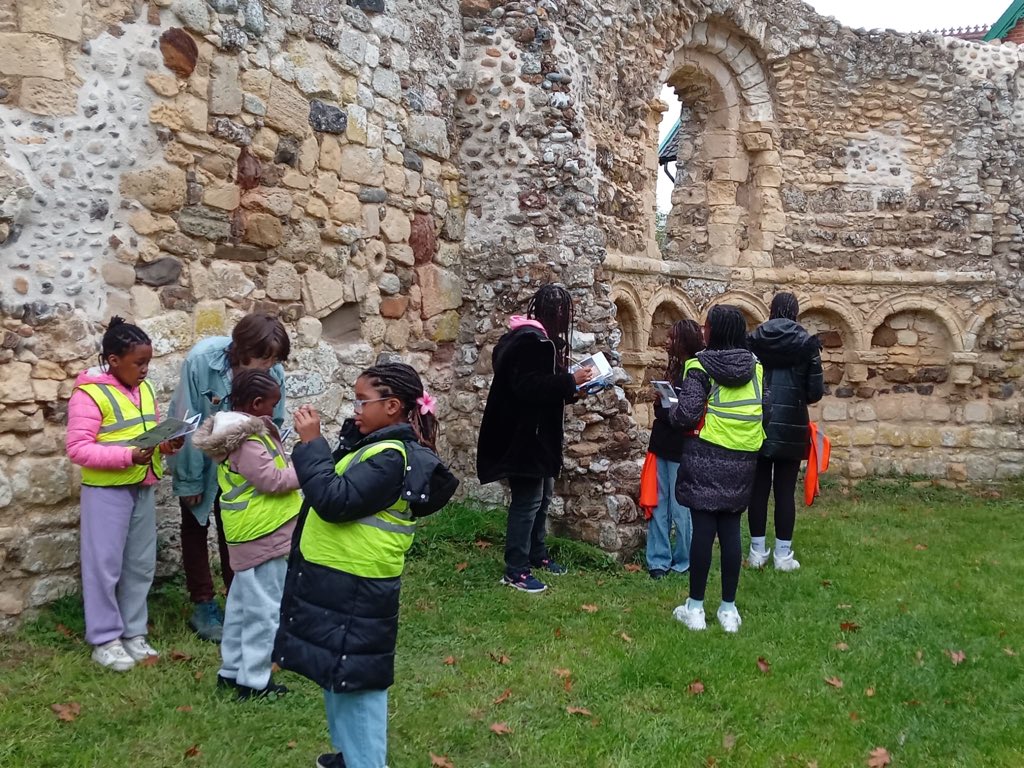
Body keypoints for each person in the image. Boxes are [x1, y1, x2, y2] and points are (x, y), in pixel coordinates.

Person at [274, 362, 458, 768]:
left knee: (359, 684)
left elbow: (335, 500)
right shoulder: (372, 446)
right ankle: (348, 756)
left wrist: (311, 445)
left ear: (392, 406)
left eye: (363, 401)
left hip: (359, 585)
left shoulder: (392, 457)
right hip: (337, 578)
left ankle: (366, 762)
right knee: (337, 672)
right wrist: (346, 437)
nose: (355, 408)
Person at [66, 317, 183, 670]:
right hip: (106, 492)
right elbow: (77, 449)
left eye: (148, 362)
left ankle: (134, 633)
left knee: (140, 564)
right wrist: (126, 456)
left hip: (143, 487)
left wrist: (166, 444)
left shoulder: (144, 389)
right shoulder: (89, 393)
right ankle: (104, 639)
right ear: (113, 361)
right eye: (139, 363)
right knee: (104, 567)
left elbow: (146, 434)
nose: (145, 370)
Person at [169, 313, 290, 642]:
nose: (269, 366)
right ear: (241, 348)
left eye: (274, 359)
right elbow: (186, 420)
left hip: (243, 461)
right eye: (264, 357)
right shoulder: (201, 361)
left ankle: (240, 598)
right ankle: (203, 605)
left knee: (234, 526)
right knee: (195, 523)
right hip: (200, 457)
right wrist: (190, 480)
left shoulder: (273, 371)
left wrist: (268, 464)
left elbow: (275, 422)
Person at [475, 284, 595, 594]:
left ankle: (536, 554)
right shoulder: (530, 342)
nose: (566, 319)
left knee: (541, 499)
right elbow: (527, 387)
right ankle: (515, 570)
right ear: (554, 314)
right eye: (564, 314)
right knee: (527, 502)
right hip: (524, 439)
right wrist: (569, 380)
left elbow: (545, 390)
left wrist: (573, 391)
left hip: (538, 438)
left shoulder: (538, 341)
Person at [190, 369, 301, 700]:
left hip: (247, 534)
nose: (274, 411)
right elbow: (272, 480)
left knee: (240, 607)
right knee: (265, 611)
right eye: (271, 405)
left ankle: (232, 669)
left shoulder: (233, 434)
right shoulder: (248, 440)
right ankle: (254, 681)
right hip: (264, 534)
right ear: (255, 404)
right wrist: (307, 467)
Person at [669, 305, 768, 634]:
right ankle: (728, 610)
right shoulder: (756, 367)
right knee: (730, 531)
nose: (703, 330)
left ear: (716, 331)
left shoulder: (699, 365)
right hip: (743, 457)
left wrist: (670, 412)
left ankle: (695, 608)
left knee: (702, 531)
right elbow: (762, 407)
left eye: (706, 325)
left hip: (707, 453)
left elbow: (687, 412)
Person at [746, 292, 824, 572]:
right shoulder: (807, 344)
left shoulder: (754, 340)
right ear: (795, 312)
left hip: (759, 421)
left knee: (758, 489)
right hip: (792, 424)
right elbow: (815, 392)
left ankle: (757, 551)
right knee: (784, 491)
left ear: (772, 310)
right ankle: (782, 554)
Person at [644, 319, 705, 579]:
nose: (666, 342)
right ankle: (658, 560)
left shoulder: (697, 372)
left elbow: (687, 417)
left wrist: (667, 411)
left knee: (682, 510)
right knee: (659, 506)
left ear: (684, 342)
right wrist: (663, 405)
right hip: (661, 445)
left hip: (683, 449)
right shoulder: (674, 368)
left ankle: (684, 560)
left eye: (672, 338)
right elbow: (666, 413)